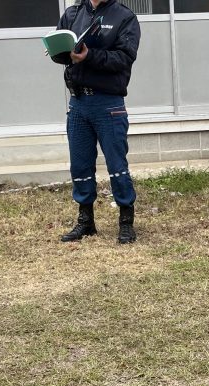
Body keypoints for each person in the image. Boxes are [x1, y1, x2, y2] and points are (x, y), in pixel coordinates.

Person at [52, 0, 141, 244]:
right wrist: (61, 52)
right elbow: (61, 55)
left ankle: (126, 222)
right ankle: (85, 221)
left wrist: (90, 55)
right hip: (78, 103)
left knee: (117, 165)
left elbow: (124, 58)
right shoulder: (72, 14)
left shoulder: (124, 17)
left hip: (109, 104)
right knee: (80, 165)